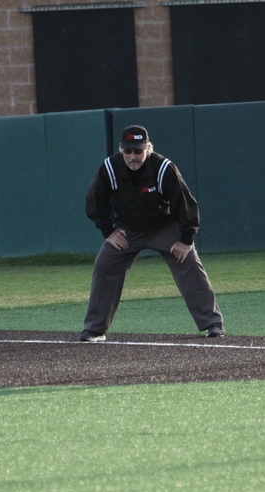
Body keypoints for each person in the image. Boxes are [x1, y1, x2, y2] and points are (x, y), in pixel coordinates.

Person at [79, 125, 224, 342]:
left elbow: (185, 203)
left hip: (164, 227)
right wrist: (109, 231)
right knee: (105, 264)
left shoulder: (163, 167)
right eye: (128, 151)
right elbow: (95, 200)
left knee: (188, 262)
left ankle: (213, 323)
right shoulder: (110, 167)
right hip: (128, 230)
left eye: (138, 151)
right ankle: (95, 330)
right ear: (121, 149)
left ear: (148, 148)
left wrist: (186, 239)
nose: (132, 156)